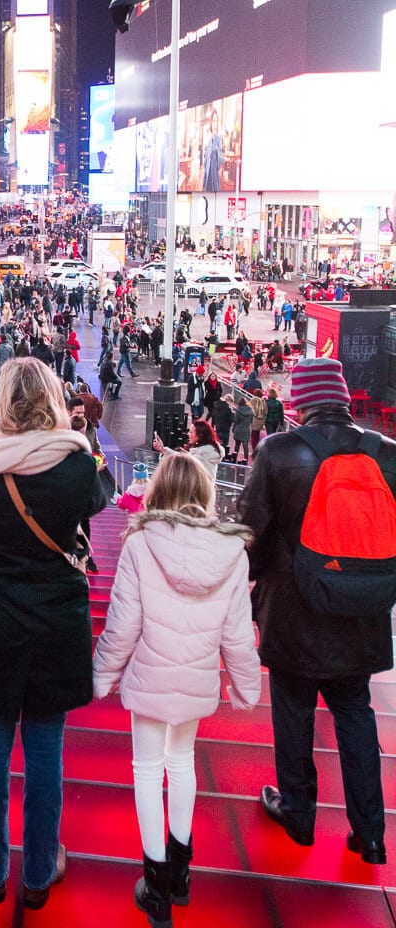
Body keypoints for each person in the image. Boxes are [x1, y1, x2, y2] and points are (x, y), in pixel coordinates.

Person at [0, 358, 106, 908]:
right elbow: (92, 510)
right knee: (46, 753)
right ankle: (36, 874)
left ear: (2, 399)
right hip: (55, 620)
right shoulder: (78, 464)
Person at [238, 358, 395, 866]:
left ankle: (300, 814)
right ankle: (370, 833)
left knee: (294, 710)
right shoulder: (384, 454)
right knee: (355, 712)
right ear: (345, 398)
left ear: (302, 401)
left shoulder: (278, 452)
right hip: (364, 611)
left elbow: (251, 530)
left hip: (294, 610)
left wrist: (251, 583)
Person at [93, 453, 260, 926]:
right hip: (196, 677)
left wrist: (102, 673)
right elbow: (237, 632)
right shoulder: (231, 551)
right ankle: (182, 875)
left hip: (149, 676)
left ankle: (157, 886)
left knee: (146, 772)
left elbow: (123, 625)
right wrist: (247, 687)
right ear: (204, 492)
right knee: (181, 763)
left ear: (159, 491)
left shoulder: (141, 544)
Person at [153, 419, 225, 484]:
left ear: (199, 436)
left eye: (191, 432)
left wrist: (164, 451)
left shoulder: (203, 455)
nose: (188, 434)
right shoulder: (203, 450)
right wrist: (163, 450)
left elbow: (183, 463)